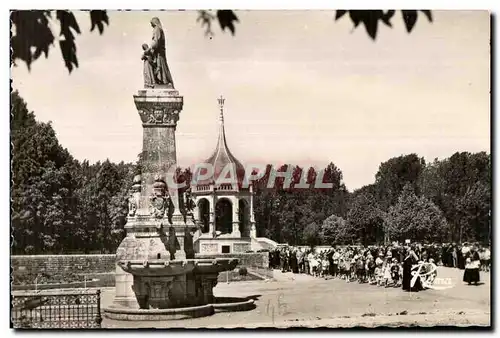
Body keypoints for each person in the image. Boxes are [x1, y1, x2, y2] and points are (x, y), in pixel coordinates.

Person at [148, 17, 174, 87]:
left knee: (161, 66)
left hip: (159, 53)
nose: (151, 25)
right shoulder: (158, 29)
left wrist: (150, 49)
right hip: (158, 52)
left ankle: (164, 82)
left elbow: (156, 41)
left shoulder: (157, 29)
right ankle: (163, 81)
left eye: (151, 23)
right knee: (161, 66)